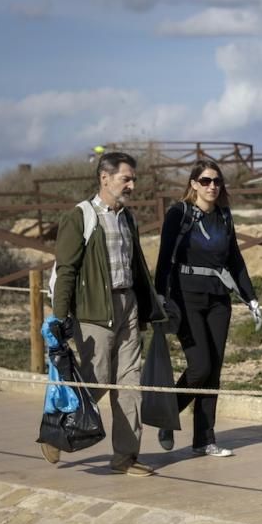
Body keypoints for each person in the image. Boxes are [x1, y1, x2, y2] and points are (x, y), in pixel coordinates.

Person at [47, 151, 166, 476]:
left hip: (128, 305)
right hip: (94, 310)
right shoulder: (80, 216)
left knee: (130, 382)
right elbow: (67, 269)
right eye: (125, 178)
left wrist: (149, 304)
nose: (131, 184)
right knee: (96, 380)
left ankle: (125, 457)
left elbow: (135, 266)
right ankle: (58, 431)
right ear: (104, 177)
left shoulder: (127, 218)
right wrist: (59, 317)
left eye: (133, 179)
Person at [153, 159, 261, 458]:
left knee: (213, 371)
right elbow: (164, 257)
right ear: (193, 184)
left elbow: (235, 259)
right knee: (199, 366)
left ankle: (204, 438)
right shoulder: (179, 213)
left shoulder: (224, 216)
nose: (212, 186)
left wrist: (250, 297)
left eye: (216, 181)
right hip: (186, 298)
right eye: (205, 181)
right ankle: (167, 414)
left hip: (218, 300)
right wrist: (160, 295)